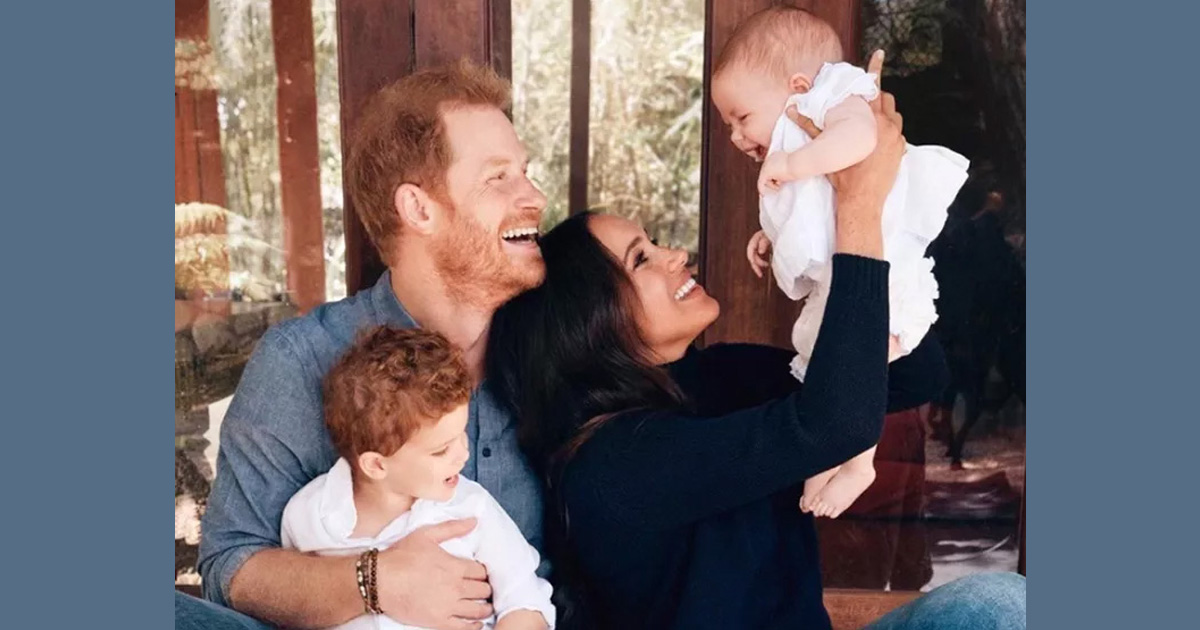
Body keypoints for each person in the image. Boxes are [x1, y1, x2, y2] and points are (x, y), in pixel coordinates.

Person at [485, 51, 1024, 629]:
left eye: (654, 242)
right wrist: (856, 209)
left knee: (1001, 606)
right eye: (641, 258)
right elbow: (834, 424)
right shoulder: (611, 466)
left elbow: (916, 376)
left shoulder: (719, 376)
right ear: (588, 320)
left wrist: (856, 224)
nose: (676, 256)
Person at [177, 60, 550, 630]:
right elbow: (229, 567)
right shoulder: (301, 361)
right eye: (499, 177)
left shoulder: (552, 347)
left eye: (525, 172)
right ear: (418, 208)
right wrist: (375, 581)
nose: (535, 196)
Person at [710, 6, 969, 518]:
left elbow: (861, 140)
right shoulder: (803, 135)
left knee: (859, 359)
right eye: (728, 126)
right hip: (848, 271)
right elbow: (816, 210)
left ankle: (858, 463)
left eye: (742, 118)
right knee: (824, 360)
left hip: (886, 268)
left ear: (799, 85)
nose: (738, 137)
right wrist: (770, 234)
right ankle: (830, 454)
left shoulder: (836, 96)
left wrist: (791, 162)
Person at [281, 326, 553, 630]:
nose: (463, 454)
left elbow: (524, 597)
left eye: (462, 433)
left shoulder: (471, 509)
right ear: (376, 465)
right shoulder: (307, 516)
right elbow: (291, 609)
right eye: (441, 450)